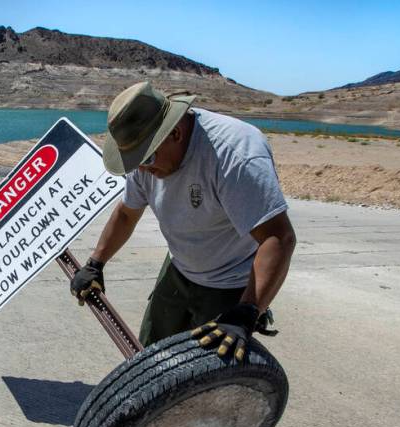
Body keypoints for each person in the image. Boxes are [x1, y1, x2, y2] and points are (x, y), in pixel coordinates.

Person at [70, 82, 296, 362]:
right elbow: (127, 213)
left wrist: (247, 310)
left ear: (175, 132)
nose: (143, 170)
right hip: (180, 267)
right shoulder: (145, 157)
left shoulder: (235, 155)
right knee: (148, 360)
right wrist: (95, 263)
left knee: (207, 378)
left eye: (147, 159)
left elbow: (278, 237)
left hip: (232, 285)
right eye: (135, 162)